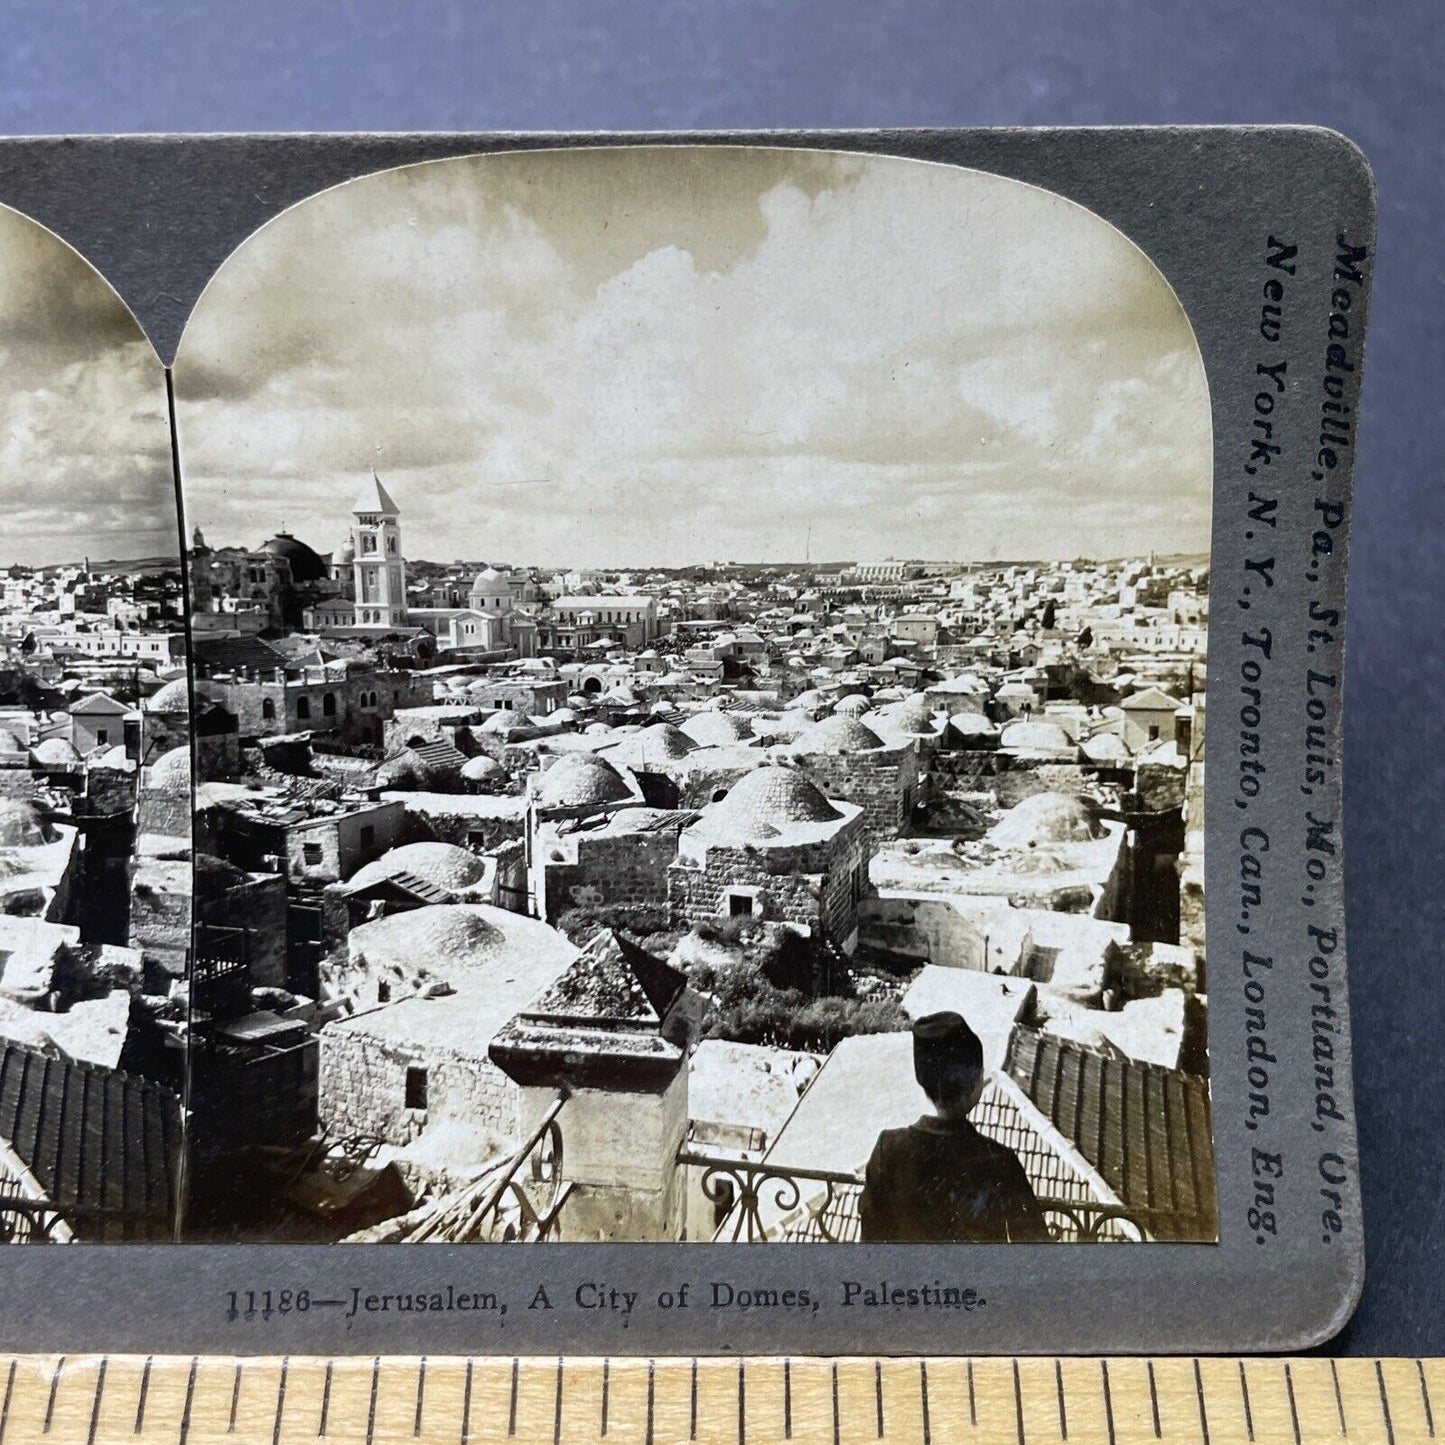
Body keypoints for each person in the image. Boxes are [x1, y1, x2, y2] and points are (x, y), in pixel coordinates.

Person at [858, 1011, 1051, 1243]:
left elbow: (870, 1243)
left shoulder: (887, 1150)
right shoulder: (999, 1161)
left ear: (922, 1080)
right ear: (975, 1085)